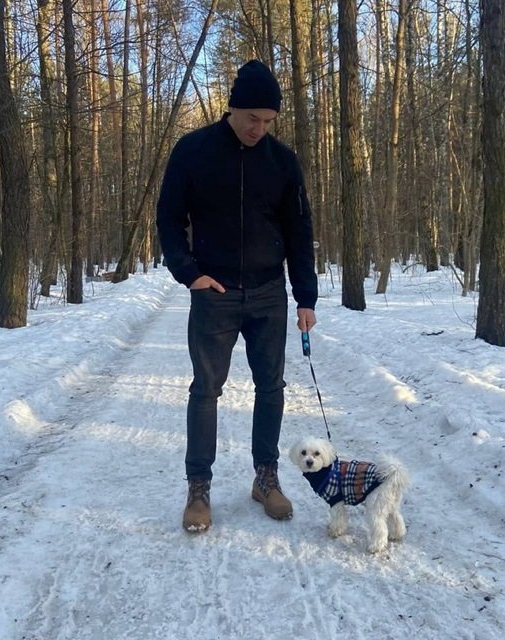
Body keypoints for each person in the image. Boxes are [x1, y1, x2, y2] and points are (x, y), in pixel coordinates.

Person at [156, 59, 318, 532]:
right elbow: (169, 218)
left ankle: (265, 478)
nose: (258, 129)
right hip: (216, 293)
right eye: (252, 118)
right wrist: (190, 274)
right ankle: (198, 487)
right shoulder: (193, 151)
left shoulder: (283, 161)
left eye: (268, 121)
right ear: (233, 108)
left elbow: (300, 231)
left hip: (269, 293)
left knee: (272, 387)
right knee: (206, 390)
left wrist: (305, 296)